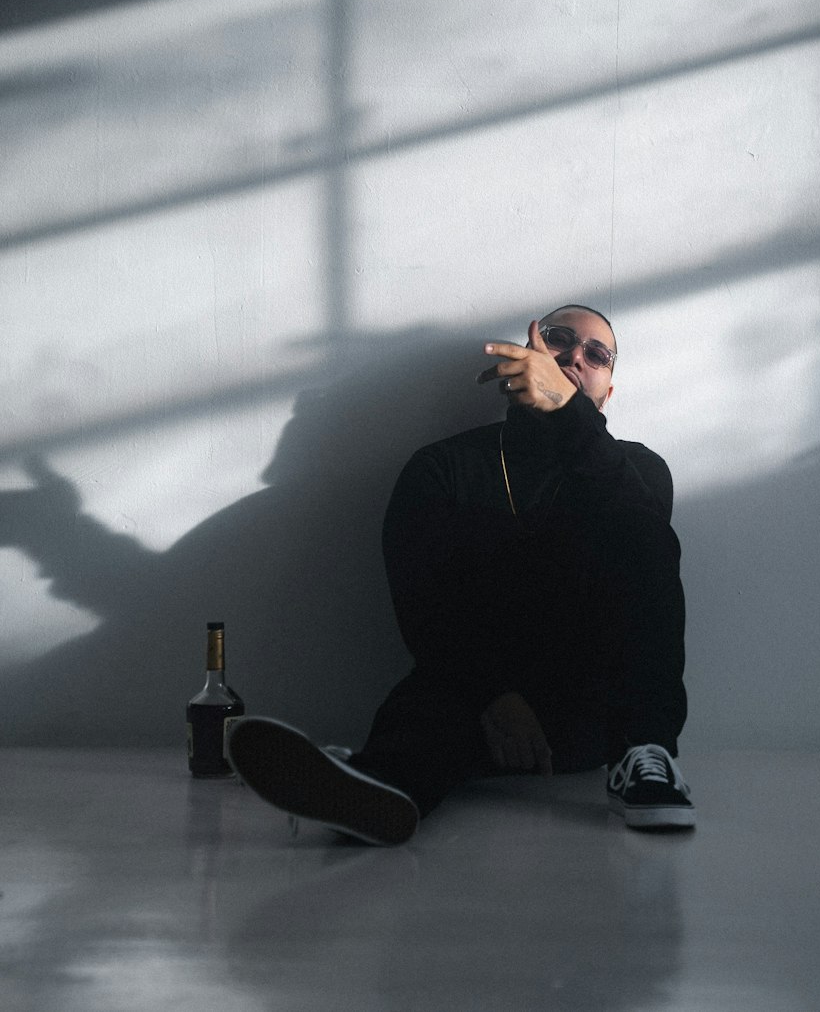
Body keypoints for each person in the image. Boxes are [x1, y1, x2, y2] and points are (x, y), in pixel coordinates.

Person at [228, 304, 694, 844]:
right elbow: (425, 603)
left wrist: (566, 410)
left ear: (608, 392)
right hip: (473, 700)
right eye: (560, 340)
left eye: (597, 355)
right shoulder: (441, 468)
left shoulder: (638, 470)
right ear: (523, 358)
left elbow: (648, 558)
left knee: (641, 532)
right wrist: (494, 694)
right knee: (427, 721)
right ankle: (371, 787)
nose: (573, 356)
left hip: (599, 717)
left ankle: (647, 755)